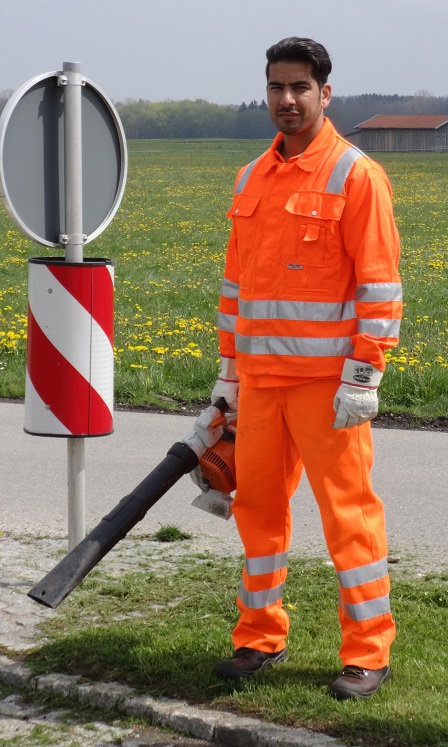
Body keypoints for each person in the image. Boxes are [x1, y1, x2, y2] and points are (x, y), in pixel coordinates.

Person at [195, 36, 402, 700]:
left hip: (327, 390)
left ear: (324, 93)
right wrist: (227, 377)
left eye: (300, 88)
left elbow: (380, 287)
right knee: (257, 511)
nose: (286, 100)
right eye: (276, 88)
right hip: (257, 385)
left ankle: (368, 654)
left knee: (349, 515)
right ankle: (260, 638)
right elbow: (236, 289)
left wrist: (364, 377)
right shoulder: (250, 177)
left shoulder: (356, 175)